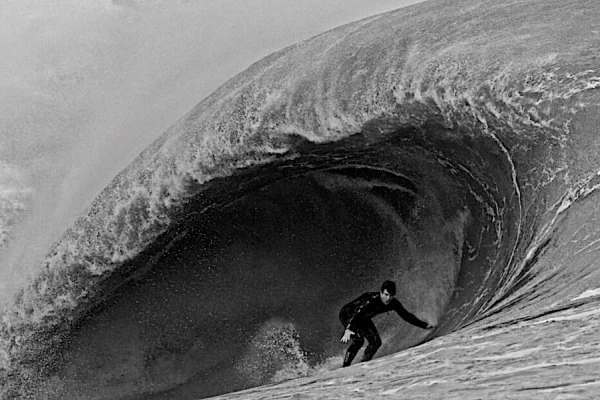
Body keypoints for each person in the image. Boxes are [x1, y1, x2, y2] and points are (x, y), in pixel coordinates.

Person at [339, 280, 435, 367]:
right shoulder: (370, 300)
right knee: (359, 341)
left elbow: (407, 316)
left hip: (363, 318)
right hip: (348, 314)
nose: (388, 298)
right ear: (381, 292)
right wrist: (348, 329)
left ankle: (363, 363)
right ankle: (345, 367)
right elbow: (356, 314)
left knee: (376, 342)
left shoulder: (393, 303)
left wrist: (424, 325)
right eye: (386, 294)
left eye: (391, 295)